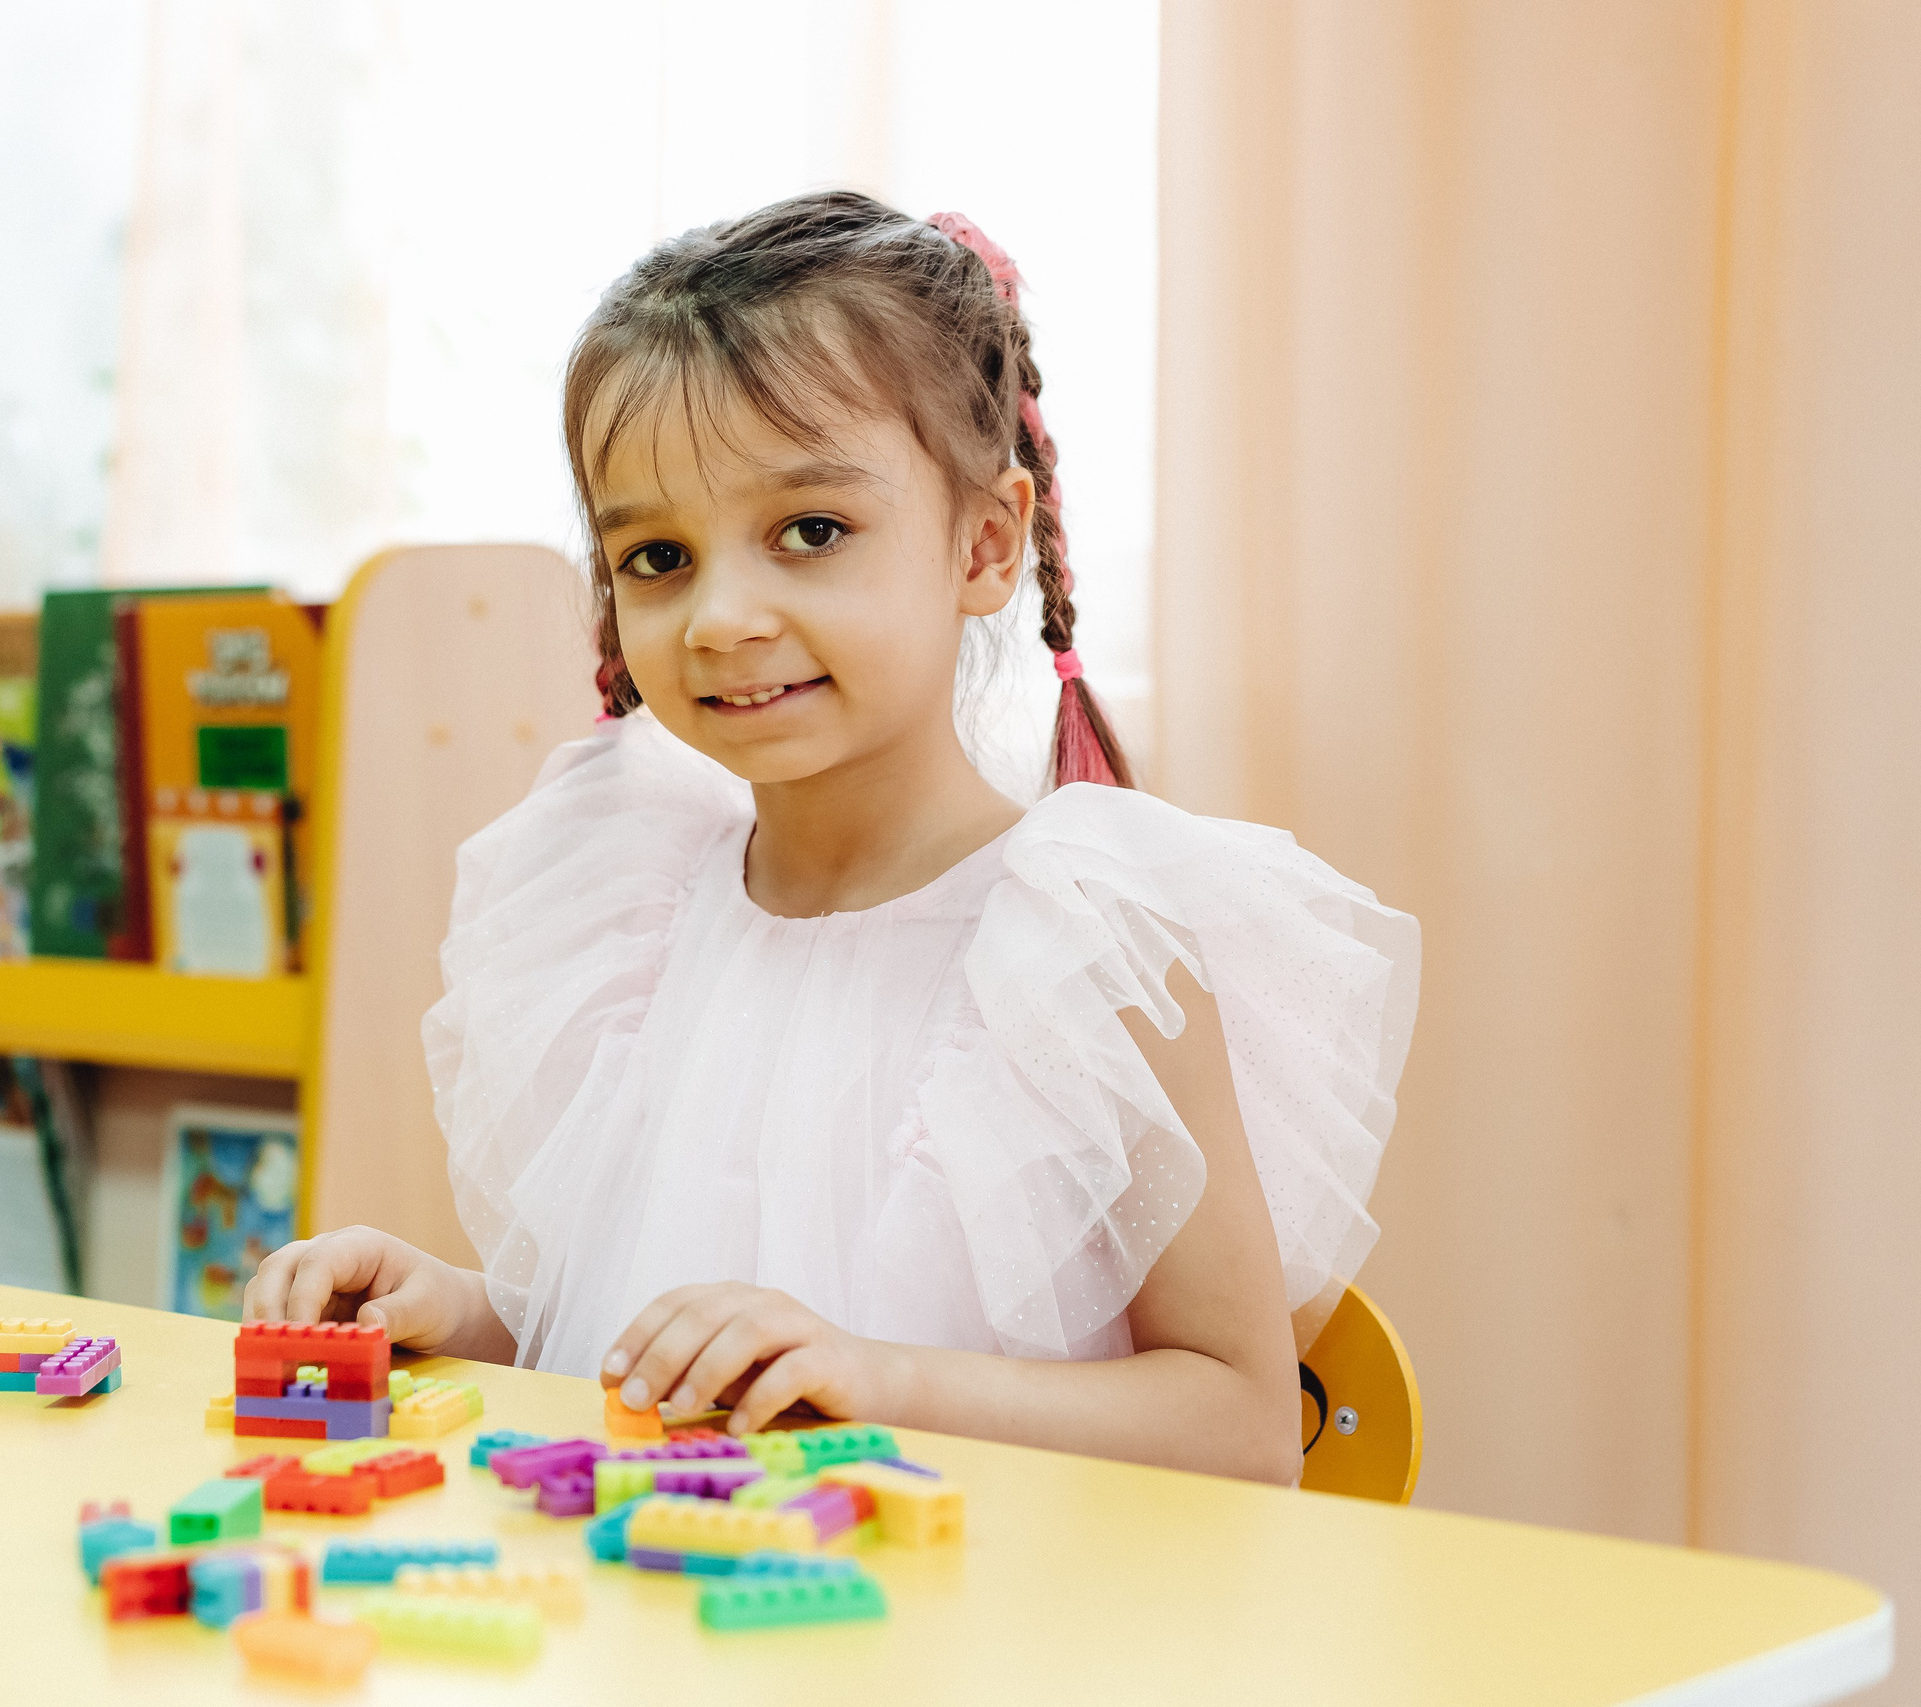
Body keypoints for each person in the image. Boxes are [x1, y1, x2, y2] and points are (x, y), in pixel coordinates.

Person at [246, 192, 1418, 1482]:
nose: (722, 615)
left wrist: (882, 1384)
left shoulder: (1091, 953)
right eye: (656, 556)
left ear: (984, 544)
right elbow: (650, 1348)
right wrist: (461, 1314)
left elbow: (1244, 1431)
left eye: (810, 531)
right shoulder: (631, 921)